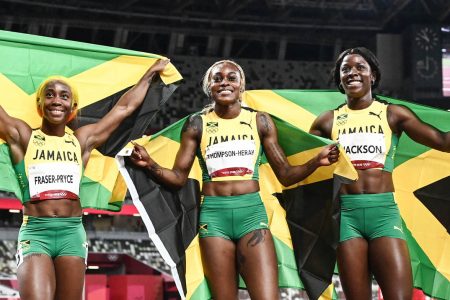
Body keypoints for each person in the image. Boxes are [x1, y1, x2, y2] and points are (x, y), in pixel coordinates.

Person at [130, 59, 340, 300]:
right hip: (214, 219)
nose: (224, 82)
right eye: (217, 78)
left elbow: (285, 174)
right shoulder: (197, 124)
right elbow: (178, 178)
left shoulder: (260, 121)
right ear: (208, 87)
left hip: (252, 216)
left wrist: (316, 161)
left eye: (232, 77)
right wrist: (150, 164)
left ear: (242, 86)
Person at [0, 58, 169, 300]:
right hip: (36, 233)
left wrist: (148, 76)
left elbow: (123, 109)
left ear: (73, 107)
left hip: (72, 234)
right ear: (40, 104)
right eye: (49, 95)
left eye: (63, 96)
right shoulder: (23, 136)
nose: (56, 100)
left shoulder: (82, 141)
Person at [309, 47, 450, 300]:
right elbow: (305, 172)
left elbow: (442, 140)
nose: (352, 72)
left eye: (359, 67)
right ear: (339, 79)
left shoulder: (393, 114)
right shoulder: (326, 122)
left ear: (372, 75)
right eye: (345, 69)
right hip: (346, 219)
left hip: (384, 215)